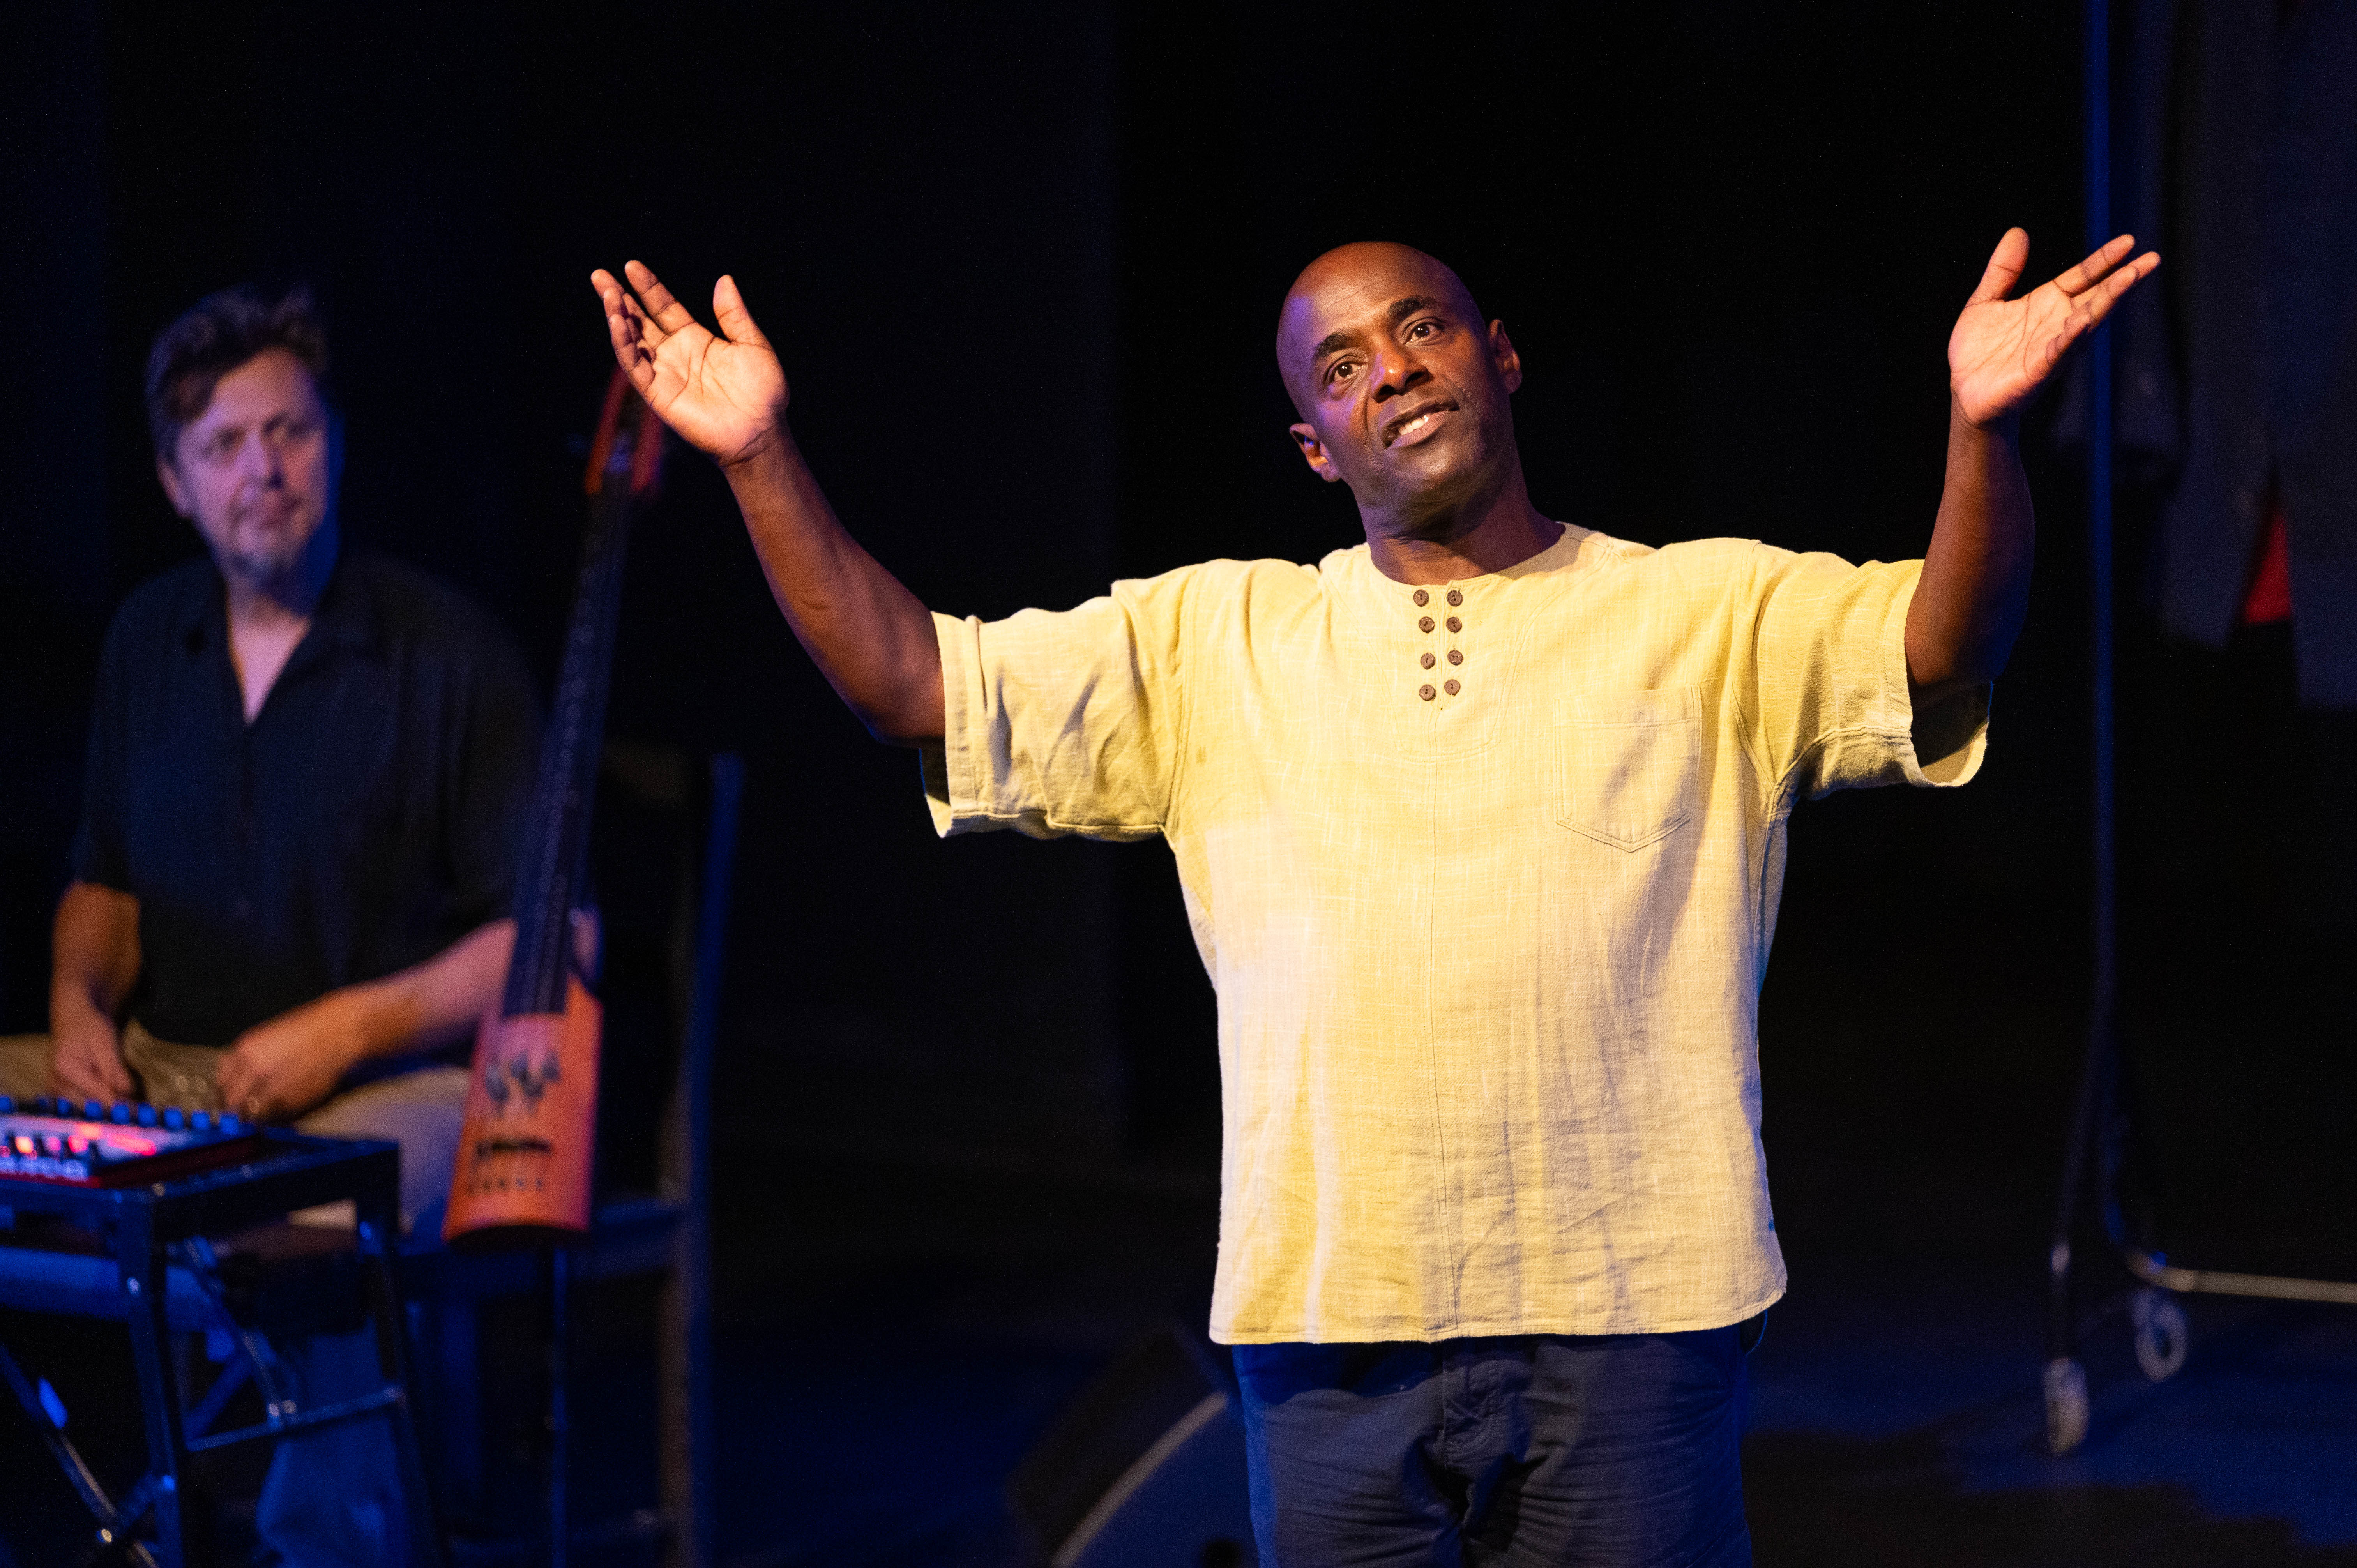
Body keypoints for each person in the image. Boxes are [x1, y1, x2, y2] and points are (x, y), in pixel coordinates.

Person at [591, 228, 2155, 1565]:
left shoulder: (1703, 608)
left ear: (1501, 356)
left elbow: (1945, 643)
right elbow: (915, 682)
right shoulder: (1219, 644)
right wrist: (757, 456)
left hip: (1632, 1311)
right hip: (1335, 1322)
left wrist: (1980, 432)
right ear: (1313, 448)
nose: (1392, 369)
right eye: (1340, 367)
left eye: (1422, 328)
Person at [0, 284, 542, 1563]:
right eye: (228, 446)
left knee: (314, 1221)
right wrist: (81, 1010)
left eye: (290, 433)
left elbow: (544, 941)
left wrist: (349, 1029)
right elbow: (105, 887)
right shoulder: (149, 637)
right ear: (177, 483)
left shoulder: (441, 650)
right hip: (180, 1068)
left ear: (336, 444)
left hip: (393, 1090)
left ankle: (330, 1547)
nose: (266, 469)